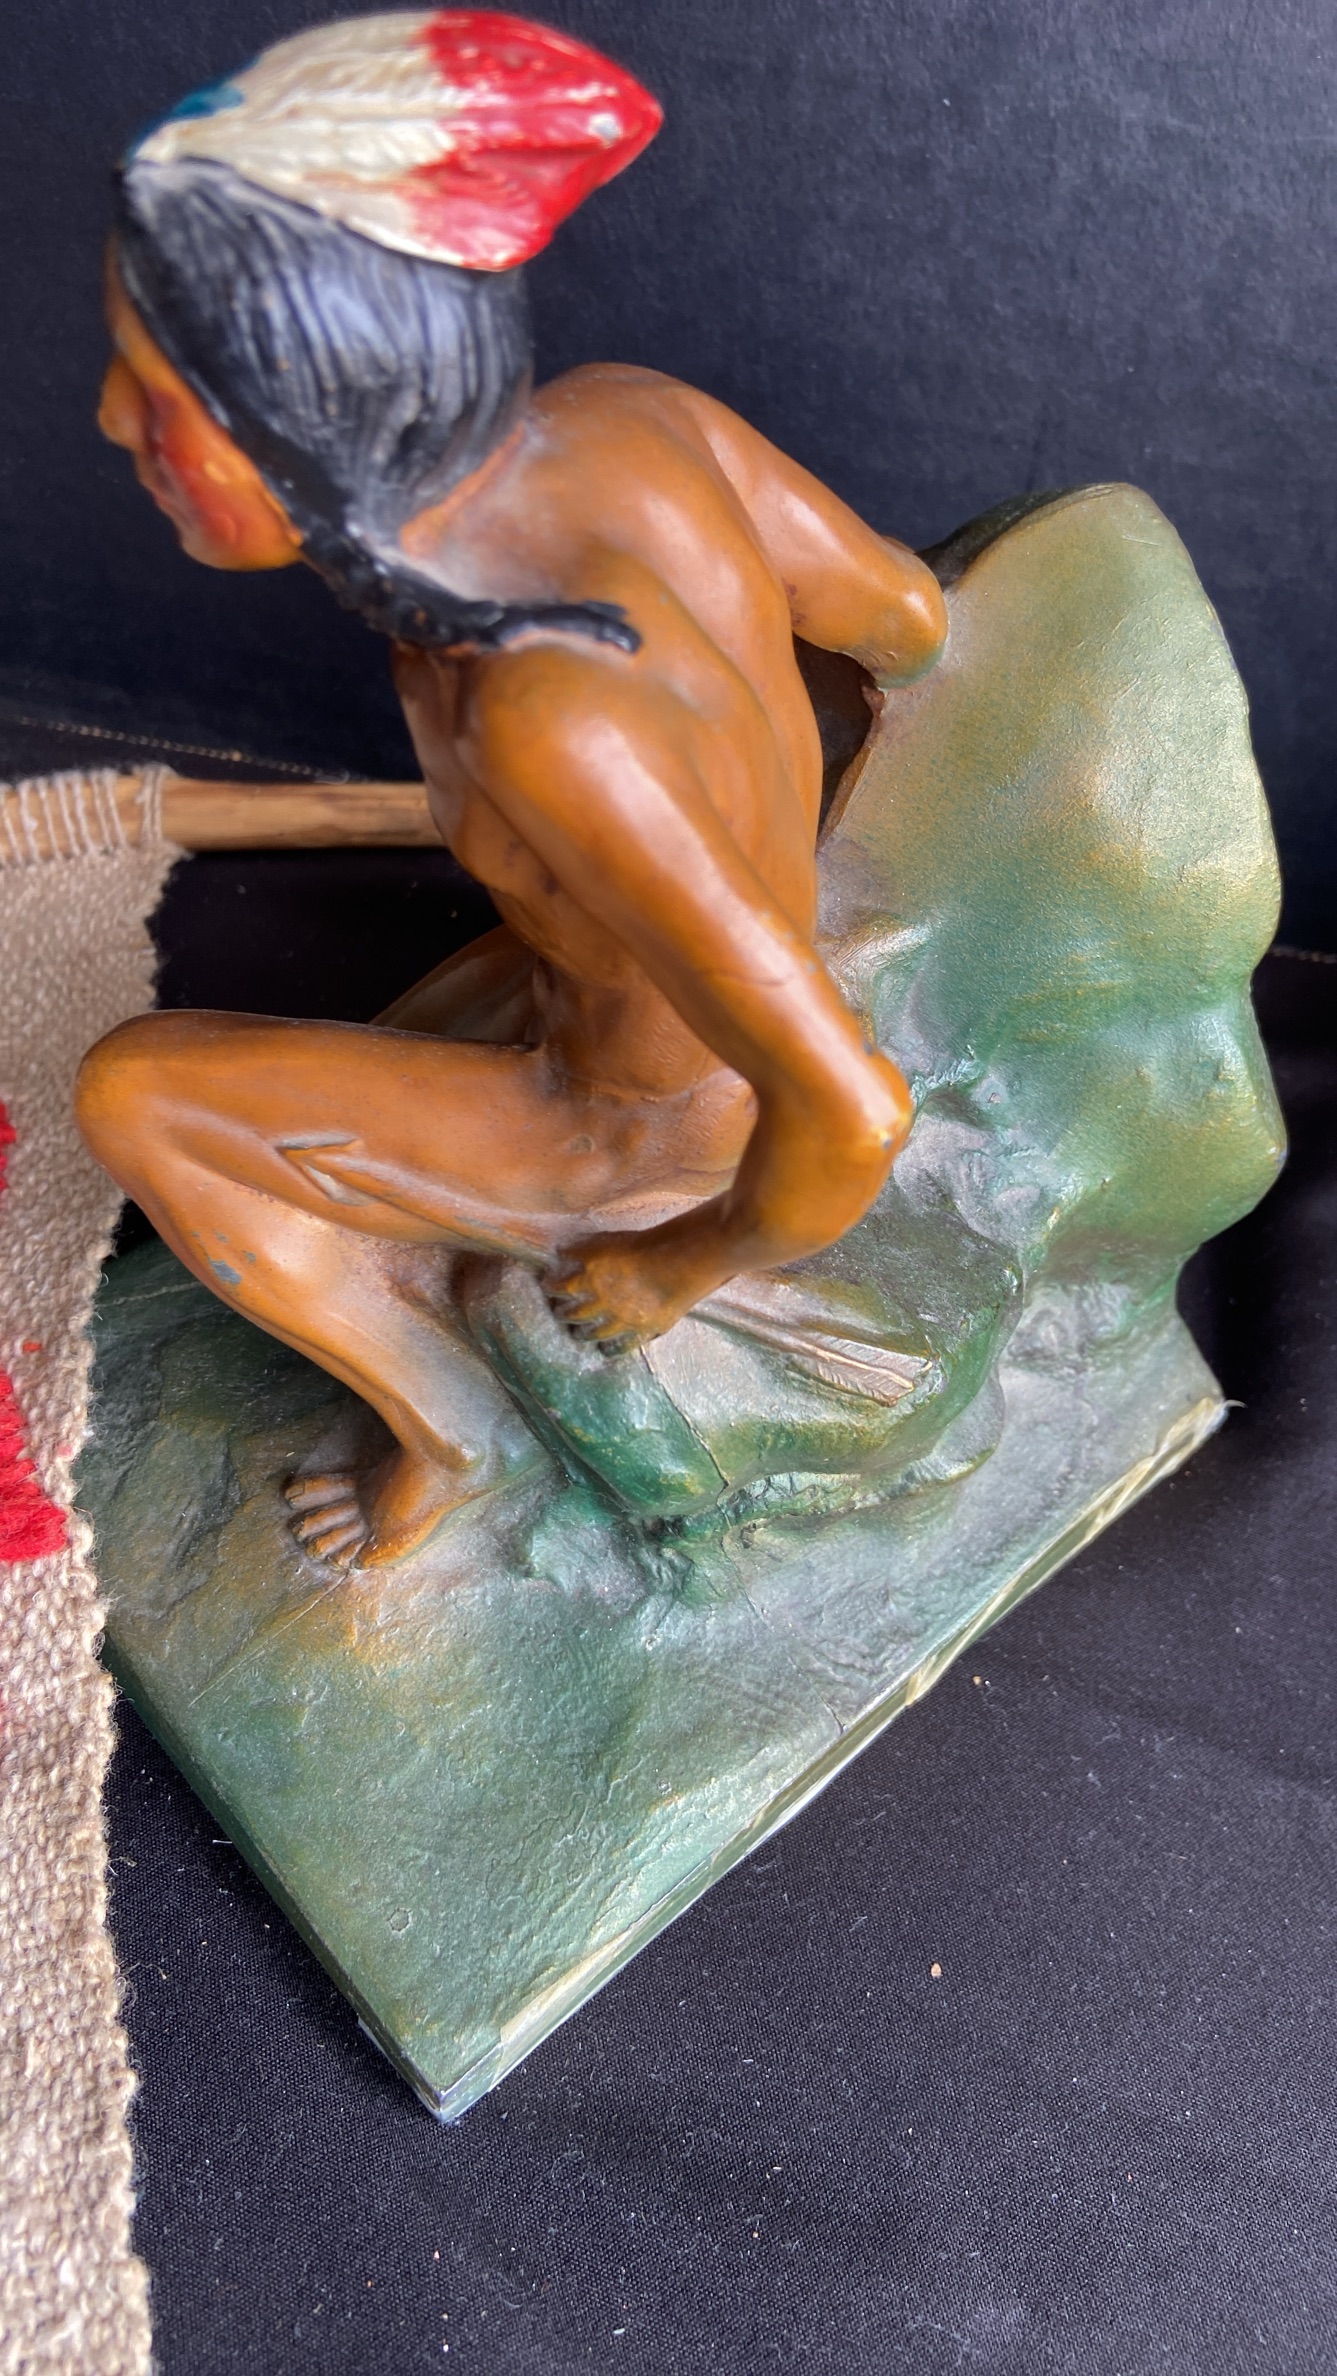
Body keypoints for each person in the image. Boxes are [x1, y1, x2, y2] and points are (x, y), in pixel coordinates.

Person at [76, 11, 947, 1567]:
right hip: (692, 983)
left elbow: (852, 1109)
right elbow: (906, 620)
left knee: (130, 1095)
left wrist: (679, 1263)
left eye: (161, 395)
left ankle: (448, 1432)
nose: (107, 421)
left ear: (316, 418)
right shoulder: (634, 418)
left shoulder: (548, 721)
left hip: (641, 1130)